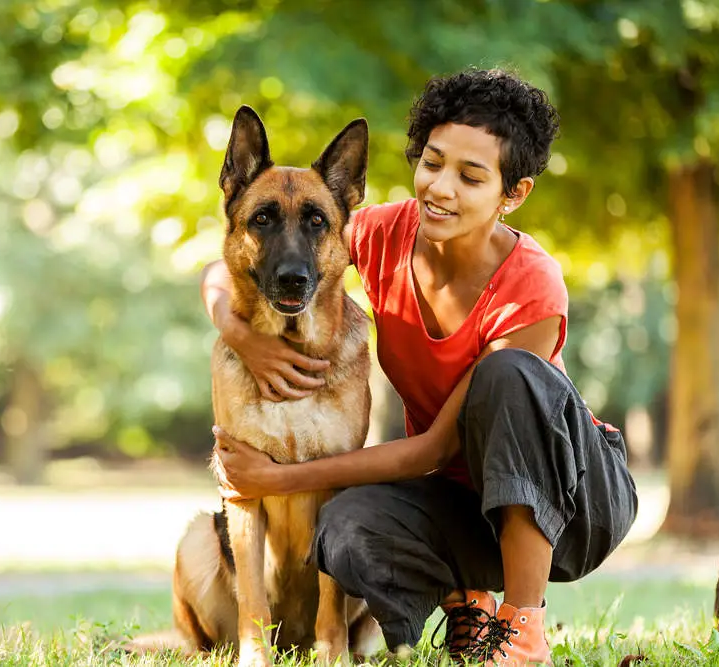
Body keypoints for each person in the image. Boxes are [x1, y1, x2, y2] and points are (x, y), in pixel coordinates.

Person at [201, 68, 638, 666]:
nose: (441, 188)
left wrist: (273, 479)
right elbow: (258, 260)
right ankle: (469, 606)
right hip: (463, 500)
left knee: (507, 375)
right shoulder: (384, 235)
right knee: (346, 528)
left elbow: (433, 448)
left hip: (573, 501)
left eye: (471, 175)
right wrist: (239, 334)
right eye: (432, 162)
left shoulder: (531, 284)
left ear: (513, 193)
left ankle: (523, 629)